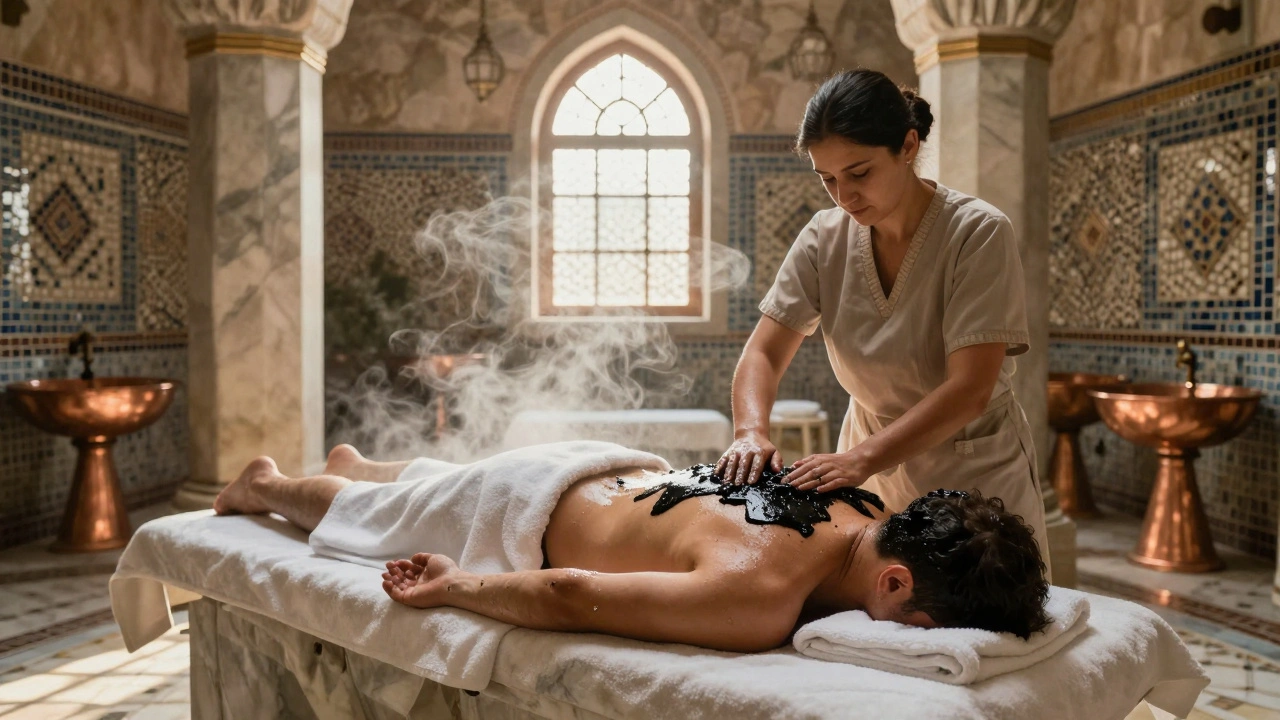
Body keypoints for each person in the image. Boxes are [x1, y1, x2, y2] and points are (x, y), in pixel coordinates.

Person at [214, 444, 1051, 653]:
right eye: (924, 625)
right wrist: (457, 586)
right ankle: (267, 483)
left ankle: (360, 465)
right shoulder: (757, 596)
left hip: (604, 465)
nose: (914, 637)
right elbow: (563, 593)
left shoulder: (860, 494)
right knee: (367, 515)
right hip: (523, 509)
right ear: (897, 580)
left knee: (423, 487)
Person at [717, 68, 1050, 575]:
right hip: (867, 465)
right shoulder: (822, 239)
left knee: (986, 622)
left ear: (909, 145)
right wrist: (749, 431)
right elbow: (764, 351)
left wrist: (862, 460)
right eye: (827, 179)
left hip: (973, 473)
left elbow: (970, 389)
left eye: (859, 172)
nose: (843, 196)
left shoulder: (977, 233)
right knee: (880, 617)